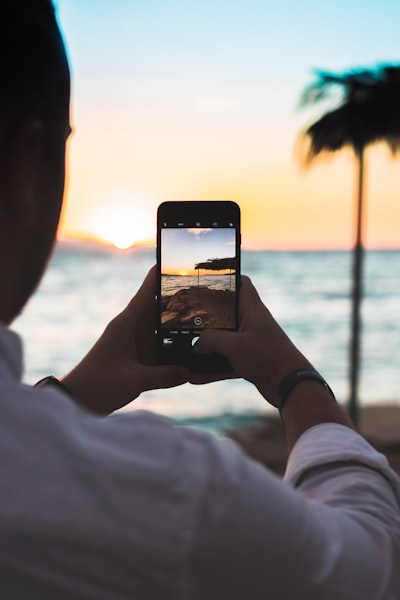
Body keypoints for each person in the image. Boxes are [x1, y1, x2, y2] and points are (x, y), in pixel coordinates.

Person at [0, 2, 399, 599]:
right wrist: (294, 377)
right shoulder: (178, 499)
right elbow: (369, 562)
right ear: (29, 164)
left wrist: (73, 398)